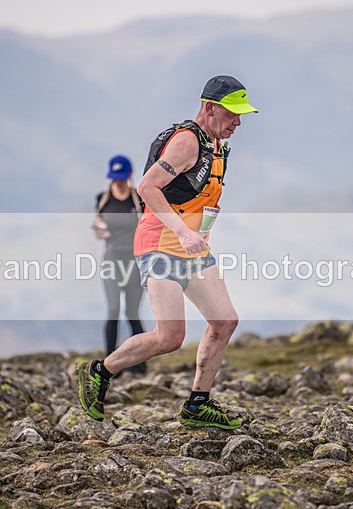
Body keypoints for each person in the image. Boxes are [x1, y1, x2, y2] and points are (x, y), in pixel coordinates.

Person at [78, 75, 258, 430]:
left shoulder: (215, 142)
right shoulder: (188, 142)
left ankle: (197, 404)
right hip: (160, 244)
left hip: (191, 245)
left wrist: (195, 233)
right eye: (232, 114)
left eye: (241, 115)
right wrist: (181, 230)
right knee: (170, 337)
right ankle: (100, 372)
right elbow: (146, 187)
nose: (238, 121)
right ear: (209, 108)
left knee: (224, 321)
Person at [92, 154, 147, 376]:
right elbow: (97, 225)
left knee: (132, 311)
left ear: (129, 176)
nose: (118, 182)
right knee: (113, 309)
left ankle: (139, 365)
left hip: (135, 261)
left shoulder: (139, 200)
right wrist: (98, 230)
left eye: (122, 178)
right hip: (112, 260)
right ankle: (110, 365)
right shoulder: (102, 199)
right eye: (115, 178)